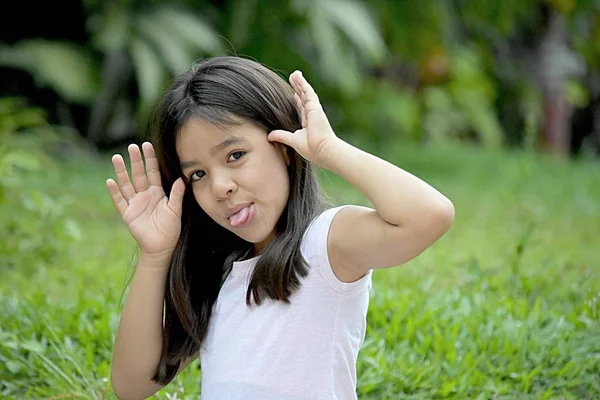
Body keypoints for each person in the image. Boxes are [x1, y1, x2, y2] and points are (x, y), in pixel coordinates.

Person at [106, 56, 455, 400]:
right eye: (198, 174)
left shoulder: (325, 244)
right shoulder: (218, 275)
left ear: (284, 147)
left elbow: (429, 216)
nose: (219, 186)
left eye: (235, 155)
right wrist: (155, 256)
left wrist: (328, 150)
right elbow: (133, 384)